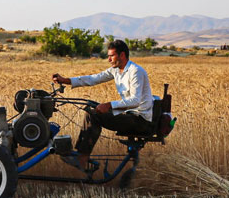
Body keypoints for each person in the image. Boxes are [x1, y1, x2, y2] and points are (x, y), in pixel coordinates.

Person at [52, 39, 154, 171]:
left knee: (93, 115)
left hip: (140, 120)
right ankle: (82, 156)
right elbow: (93, 78)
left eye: (112, 56)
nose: (109, 59)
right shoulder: (116, 70)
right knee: (93, 110)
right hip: (129, 115)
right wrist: (66, 80)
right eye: (108, 56)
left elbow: (135, 100)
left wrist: (109, 105)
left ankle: (82, 159)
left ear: (122, 55)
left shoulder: (135, 71)